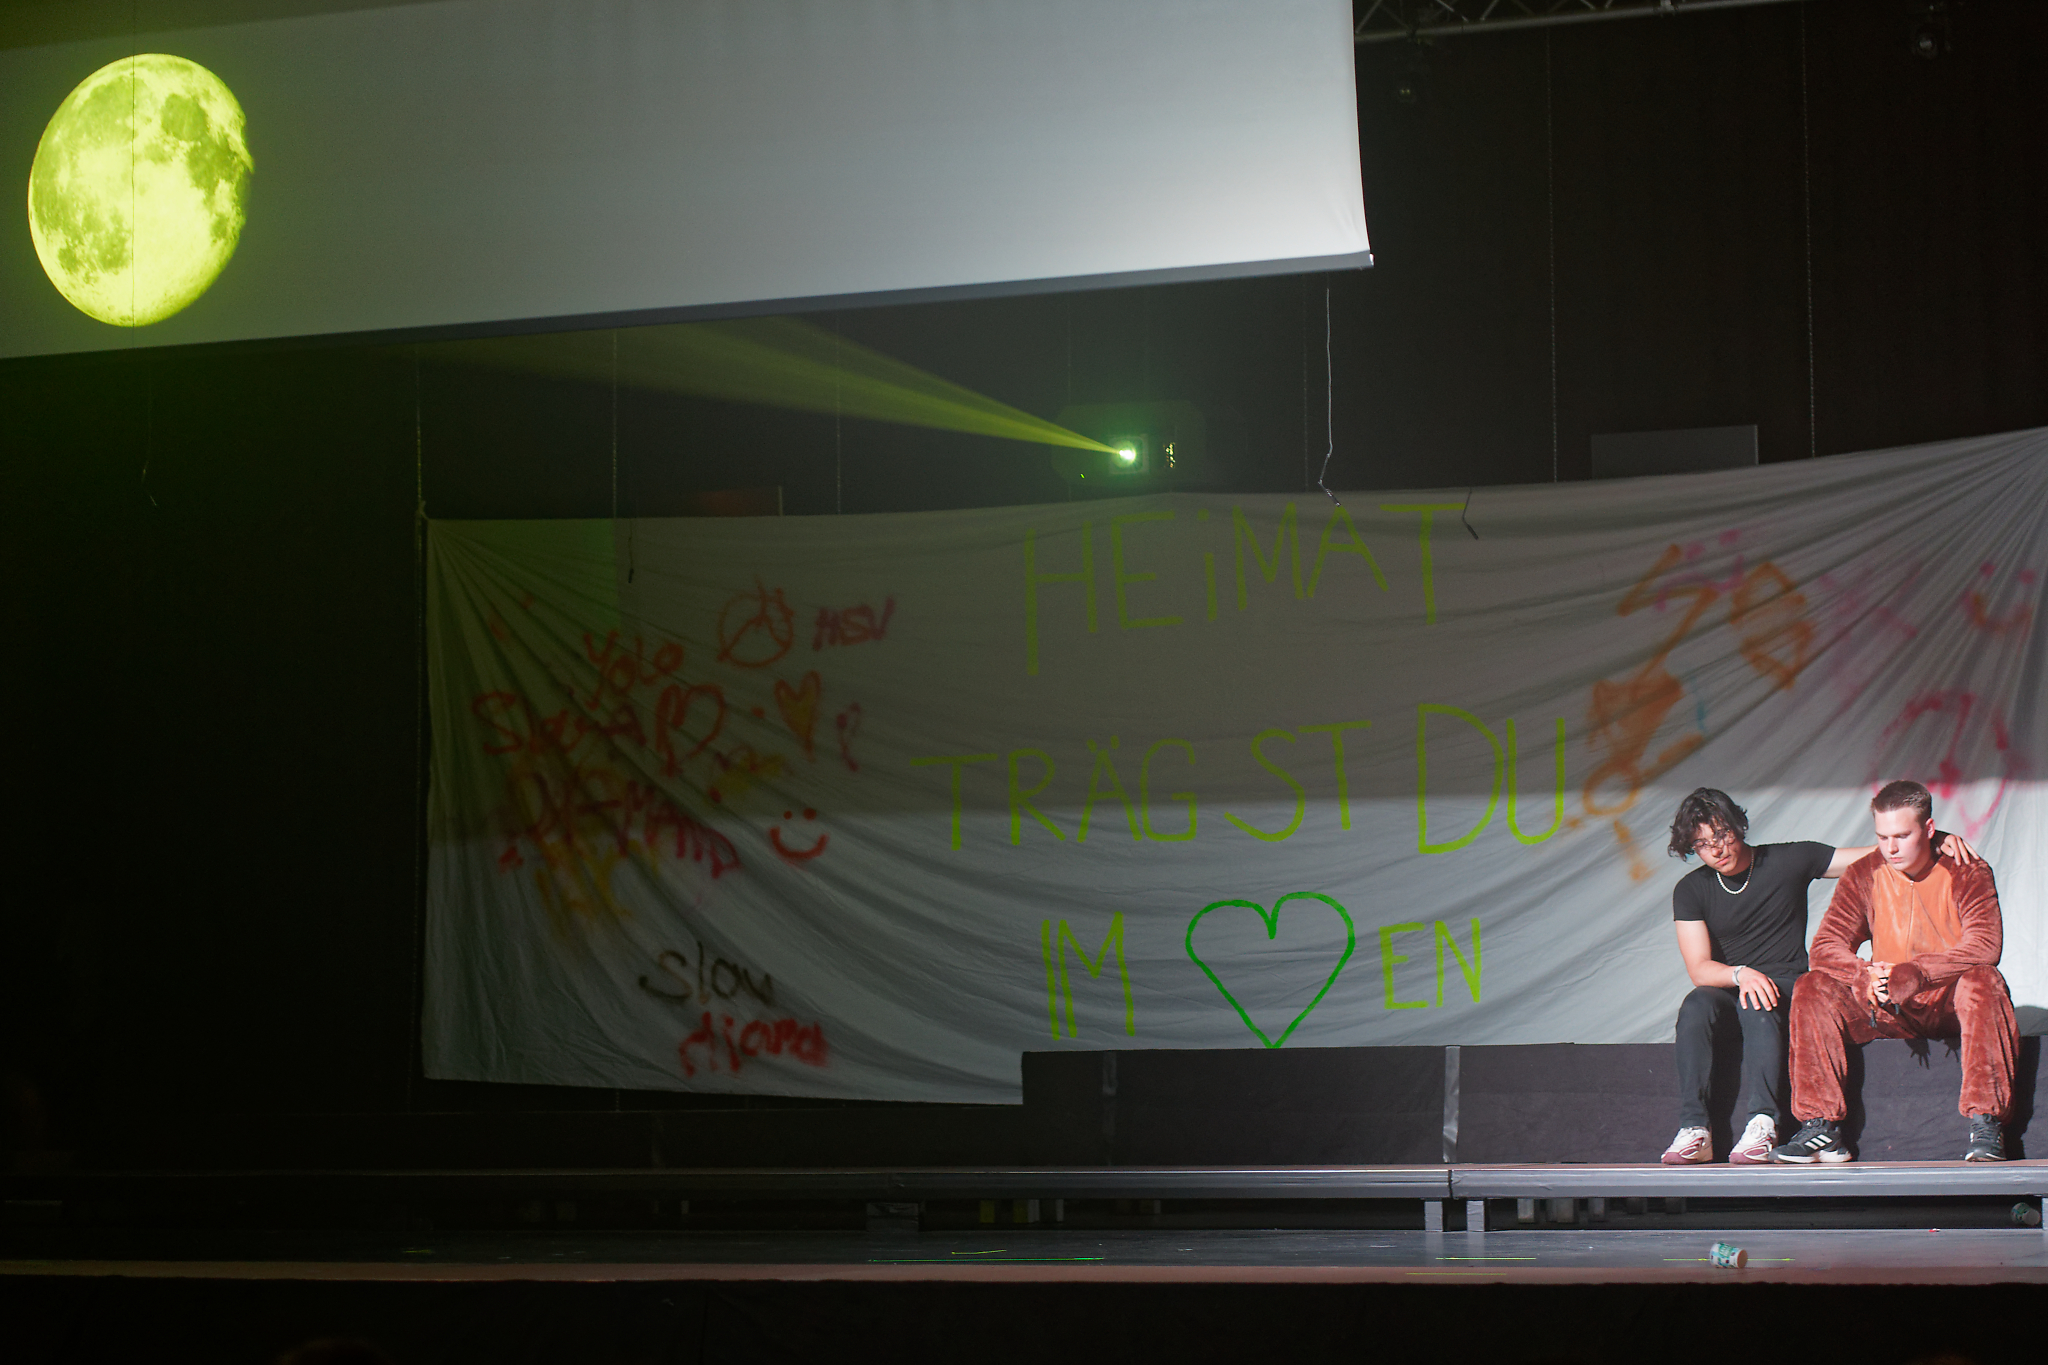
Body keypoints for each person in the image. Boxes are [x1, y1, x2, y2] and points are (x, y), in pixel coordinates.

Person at [1659, 787, 1974, 1165]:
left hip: (1788, 985)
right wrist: (1742, 974)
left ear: (1737, 827)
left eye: (1722, 835)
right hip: (1735, 982)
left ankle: (1763, 1123)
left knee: (1757, 1003)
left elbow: (1876, 855)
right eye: (1703, 844)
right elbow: (1699, 968)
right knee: (1697, 1004)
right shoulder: (1691, 889)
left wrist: (1935, 839)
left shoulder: (1788, 859)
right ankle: (1695, 1128)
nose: (1717, 849)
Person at [1770, 780, 2015, 1164]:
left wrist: (1918, 972)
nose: (1891, 848)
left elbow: (1985, 944)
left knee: (1985, 981)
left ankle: (1986, 1123)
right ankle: (1820, 1127)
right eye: (1882, 837)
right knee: (1812, 985)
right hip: (1886, 1005)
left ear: (1929, 829)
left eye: (1902, 836)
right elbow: (1825, 946)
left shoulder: (1967, 868)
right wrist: (1863, 974)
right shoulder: (1864, 872)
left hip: (1946, 1002)